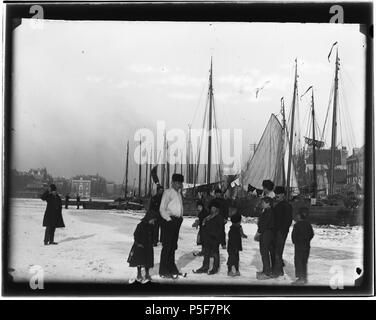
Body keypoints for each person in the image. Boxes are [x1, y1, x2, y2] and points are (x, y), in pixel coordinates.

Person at [159, 173, 184, 278]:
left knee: (173, 246)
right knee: (167, 246)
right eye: (178, 183)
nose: (180, 185)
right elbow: (162, 209)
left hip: (177, 221)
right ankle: (163, 270)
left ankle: (172, 268)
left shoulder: (178, 194)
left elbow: (179, 208)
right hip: (169, 221)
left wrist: (181, 218)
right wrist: (169, 220)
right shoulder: (168, 192)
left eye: (181, 183)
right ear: (173, 182)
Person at [193, 200, 223, 275]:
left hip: (215, 239)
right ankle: (205, 267)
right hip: (207, 238)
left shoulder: (219, 217)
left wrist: (219, 239)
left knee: (215, 254)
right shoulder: (208, 217)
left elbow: (221, 230)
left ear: (217, 209)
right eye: (212, 208)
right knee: (206, 254)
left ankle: (215, 268)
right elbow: (204, 226)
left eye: (214, 208)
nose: (212, 209)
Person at [127, 210, 157, 283]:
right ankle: (139, 274)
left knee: (148, 261)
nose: (153, 221)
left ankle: (147, 274)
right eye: (152, 220)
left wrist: (153, 241)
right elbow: (136, 235)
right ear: (148, 218)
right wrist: (138, 243)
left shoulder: (152, 226)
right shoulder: (140, 225)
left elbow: (153, 235)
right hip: (140, 246)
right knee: (139, 261)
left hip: (148, 246)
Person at [272, 186, 293, 277]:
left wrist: (282, 230)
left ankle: (278, 272)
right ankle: (278, 270)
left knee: (278, 251)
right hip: (276, 231)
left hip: (281, 232)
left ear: (283, 195)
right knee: (276, 251)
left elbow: (288, 220)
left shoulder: (286, 206)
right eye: (276, 193)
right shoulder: (277, 205)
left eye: (278, 194)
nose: (276, 195)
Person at [291, 208, 314, 285]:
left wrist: (296, 242)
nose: (296, 216)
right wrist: (307, 240)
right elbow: (311, 234)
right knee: (304, 262)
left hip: (299, 246)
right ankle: (304, 278)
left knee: (298, 261)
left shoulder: (297, 225)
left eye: (297, 215)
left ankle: (300, 278)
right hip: (306, 246)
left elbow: (294, 236)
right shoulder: (308, 224)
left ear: (299, 216)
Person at [255, 197, 275, 280]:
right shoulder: (267, 211)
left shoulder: (269, 212)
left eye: (263, 202)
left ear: (268, 203)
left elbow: (264, 224)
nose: (262, 204)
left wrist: (259, 232)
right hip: (266, 232)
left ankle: (267, 272)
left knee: (264, 252)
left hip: (266, 233)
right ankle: (265, 270)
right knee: (264, 252)